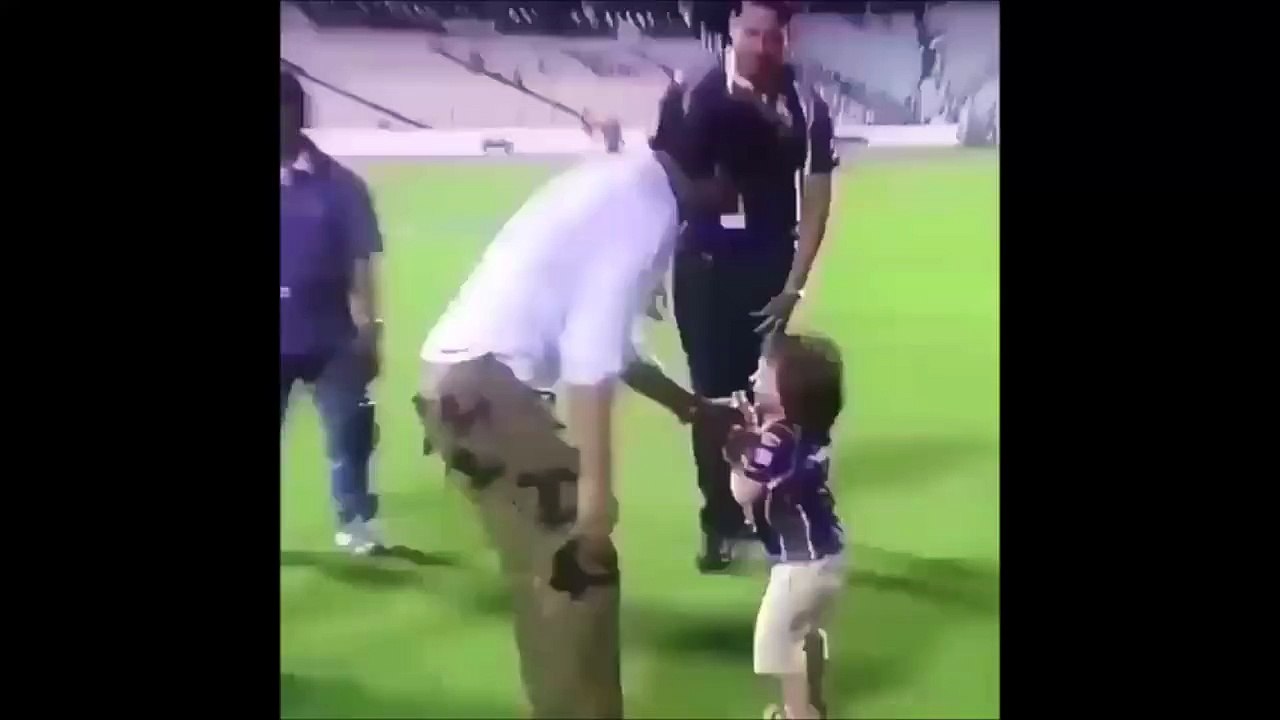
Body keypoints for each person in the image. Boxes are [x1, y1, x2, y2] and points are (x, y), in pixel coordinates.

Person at [413, 145, 740, 718]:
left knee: (549, 584)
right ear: (716, 168)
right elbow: (590, 354)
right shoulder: (648, 205)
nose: (738, 204)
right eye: (741, 187)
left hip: (463, 389)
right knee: (579, 578)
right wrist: (595, 492)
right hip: (486, 391)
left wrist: (691, 408)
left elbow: (615, 345)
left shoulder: (624, 183)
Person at [661, 0, 841, 572]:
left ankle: (772, 513)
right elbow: (661, 182)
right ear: (733, 28)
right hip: (704, 271)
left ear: (788, 38)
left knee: (771, 400)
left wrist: (794, 287)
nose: (763, 47)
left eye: (774, 37)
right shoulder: (691, 92)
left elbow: (816, 198)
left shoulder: (806, 102)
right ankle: (719, 523)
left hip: (769, 271)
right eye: (753, 32)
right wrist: (651, 266)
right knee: (714, 400)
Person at [280, 70, 385, 554]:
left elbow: (361, 261)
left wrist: (370, 332)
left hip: (333, 337)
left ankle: (355, 523)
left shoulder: (342, 186)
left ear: (296, 114)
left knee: (350, 437)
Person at [725, 333, 846, 720]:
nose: (755, 376)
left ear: (789, 389)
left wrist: (736, 449)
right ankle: (813, 704)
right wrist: (754, 427)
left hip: (801, 564)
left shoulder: (777, 439)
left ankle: (798, 714)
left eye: (765, 371)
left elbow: (744, 492)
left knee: (779, 642)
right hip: (827, 556)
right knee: (805, 632)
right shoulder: (803, 429)